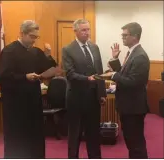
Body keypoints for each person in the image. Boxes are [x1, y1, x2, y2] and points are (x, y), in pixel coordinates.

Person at [0, 20, 57, 158]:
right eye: (32, 36)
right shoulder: (9, 51)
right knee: (17, 140)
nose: (34, 40)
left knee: (35, 137)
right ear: (22, 34)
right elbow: (3, 77)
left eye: (36, 37)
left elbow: (48, 68)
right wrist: (25, 77)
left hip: (33, 102)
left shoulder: (36, 52)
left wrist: (48, 55)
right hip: (15, 106)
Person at [104, 22, 149, 158]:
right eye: (122, 35)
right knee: (131, 142)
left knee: (136, 144)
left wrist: (113, 75)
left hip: (134, 107)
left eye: (125, 35)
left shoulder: (140, 56)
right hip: (128, 106)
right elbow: (125, 75)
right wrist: (115, 59)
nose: (122, 38)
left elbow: (134, 82)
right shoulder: (132, 53)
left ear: (135, 36)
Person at [62, 19, 106, 159]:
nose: (87, 33)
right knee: (75, 134)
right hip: (76, 98)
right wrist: (86, 79)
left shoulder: (94, 47)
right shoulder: (68, 49)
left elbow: (99, 71)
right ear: (75, 31)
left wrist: (102, 93)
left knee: (93, 133)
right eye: (83, 30)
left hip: (93, 98)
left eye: (88, 29)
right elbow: (70, 74)